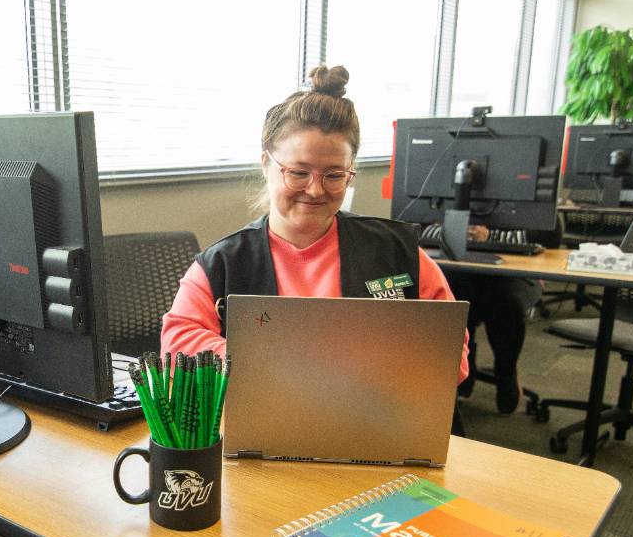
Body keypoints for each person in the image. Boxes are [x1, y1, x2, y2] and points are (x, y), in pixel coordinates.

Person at [160, 65, 469, 387]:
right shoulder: (223, 263)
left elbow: (452, 357)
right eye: (298, 172)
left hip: (380, 416)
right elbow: (176, 346)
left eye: (334, 175)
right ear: (266, 164)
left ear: (351, 170)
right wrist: (279, 364)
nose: (316, 190)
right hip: (265, 419)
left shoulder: (396, 252)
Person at [443, 224, 543, 414]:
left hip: (517, 269)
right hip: (462, 265)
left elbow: (548, 235)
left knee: (506, 302)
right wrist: (457, 231)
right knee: (450, 297)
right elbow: (419, 227)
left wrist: (491, 236)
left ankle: (506, 372)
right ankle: (463, 365)